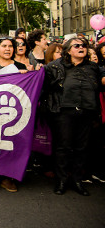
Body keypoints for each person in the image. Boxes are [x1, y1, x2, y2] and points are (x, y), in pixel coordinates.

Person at [42, 37, 104, 196]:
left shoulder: (93, 67)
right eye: (77, 46)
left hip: (87, 112)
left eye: (84, 46)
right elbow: (42, 87)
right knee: (63, 147)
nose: (81, 48)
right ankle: (62, 180)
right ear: (68, 50)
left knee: (82, 148)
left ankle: (77, 180)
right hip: (63, 112)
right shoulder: (54, 67)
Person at [0, 36, 29, 193]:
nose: (7, 49)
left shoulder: (21, 66)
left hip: (14, 112)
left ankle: (8, 177)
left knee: (12, 143)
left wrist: (27, 75)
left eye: (10, 46)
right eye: (4, 46)